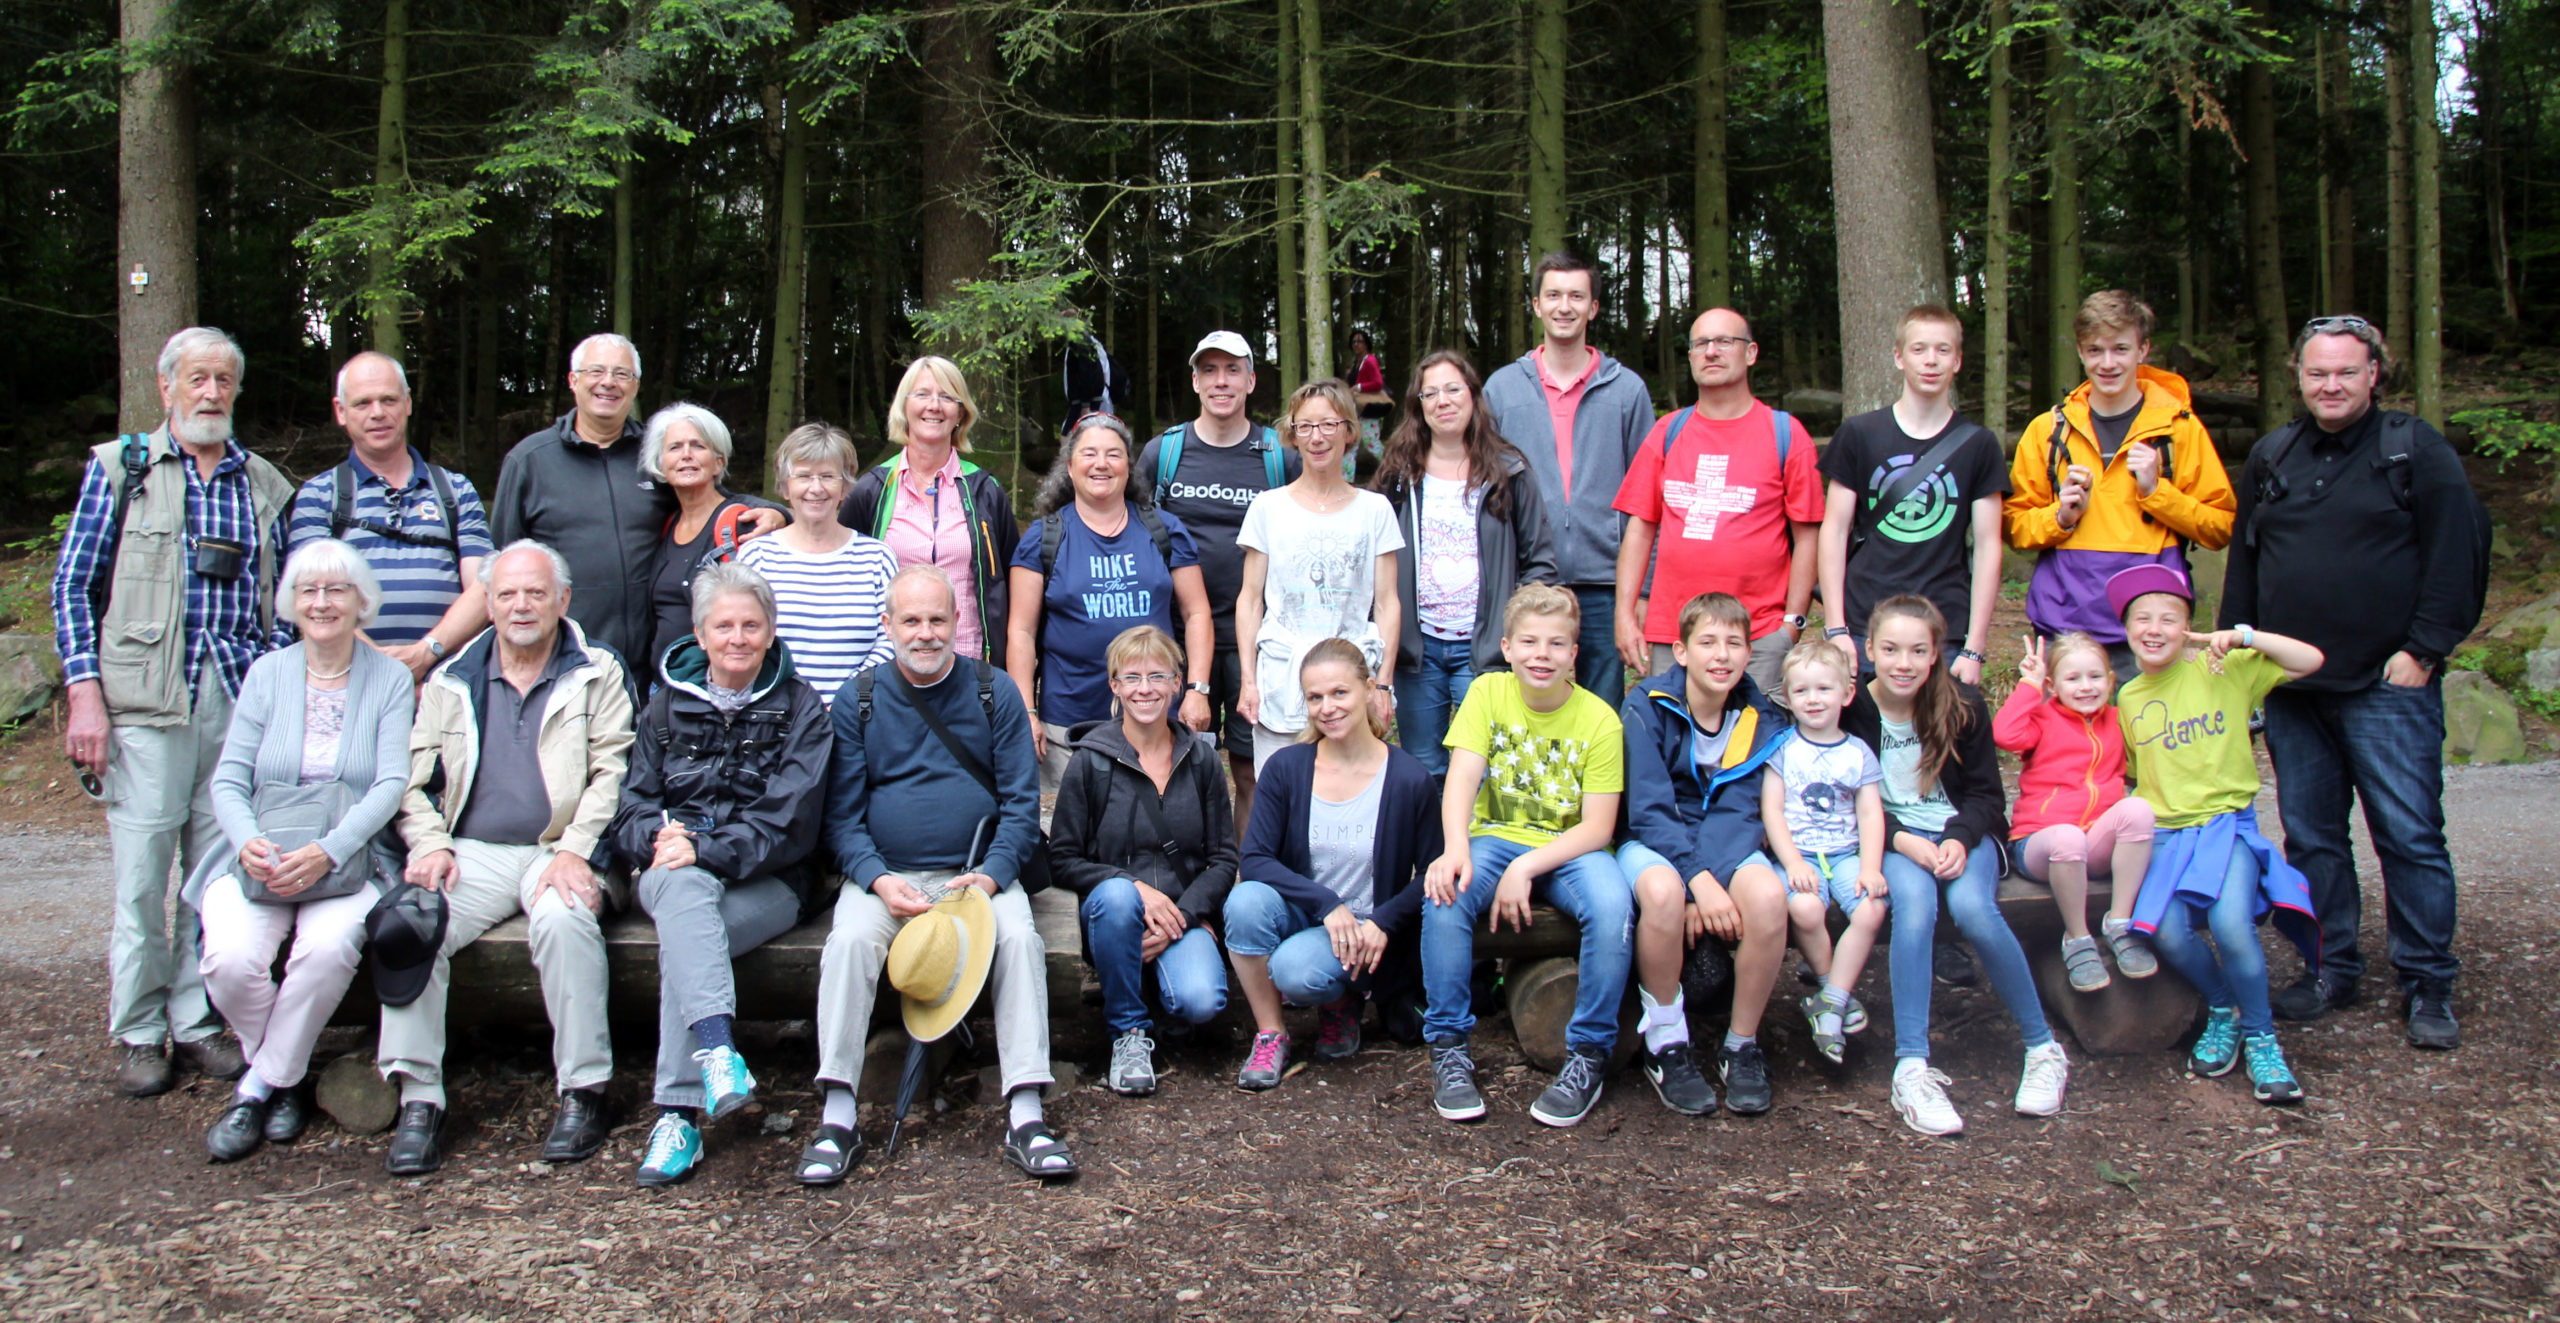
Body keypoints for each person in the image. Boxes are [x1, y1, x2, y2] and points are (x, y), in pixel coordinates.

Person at [2222, 315, 2486, 1048]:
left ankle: (2428, 980)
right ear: (2297, 376)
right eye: (2316, 372)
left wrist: (2424, 652)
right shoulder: (2274, 453)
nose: (2330, 385)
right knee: (2311, 835)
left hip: (2385, 683)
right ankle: (2331, 964)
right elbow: (2246, 567)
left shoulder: (2414, 451)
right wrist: (2239, 664)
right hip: (2292, 692)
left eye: (2345, 371)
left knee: (2408, 834)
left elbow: (2458, 554)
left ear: (2375, 372)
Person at [54, 325, 291, 1097]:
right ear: (166, 387)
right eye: (196, 379)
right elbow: (72, 588)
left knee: (214, 875)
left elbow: (282, 604)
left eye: (224, 380)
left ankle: (196, 1020)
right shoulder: (122, 470)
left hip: (233, 702)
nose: (211, 393)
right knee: (141, 878)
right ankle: (139, 1027)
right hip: (145, 704)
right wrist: (84, 692)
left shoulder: (263, 483)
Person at [805, 567, 1073, 1184]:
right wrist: (875, 878)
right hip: (887, 877)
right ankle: (838, 1114)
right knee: (847, 943)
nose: (924, 634)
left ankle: (1027, 1111)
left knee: (1019, 939)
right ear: (888, 625)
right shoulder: (861, 698)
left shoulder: (993, 691)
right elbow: (841, 818)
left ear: (958, 623)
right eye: (911, 621)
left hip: (975, 876)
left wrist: (990, 876)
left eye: (937, 620)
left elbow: (1018, 804)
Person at [378, 540, 633, 1176]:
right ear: (487, 603)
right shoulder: (450, 679)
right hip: (474, 851)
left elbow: (615, 773)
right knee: (411, 922)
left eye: (536, 593)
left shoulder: (598, 671)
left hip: (564, 846)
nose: (522, 605)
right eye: (508, 594)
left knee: (563, 917)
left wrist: (577, 851)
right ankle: (419, 1099)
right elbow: (412, 779)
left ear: (563, 600)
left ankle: (584, 1089)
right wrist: (430, 843)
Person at [609, 562, 831, 1186]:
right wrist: (659, 838)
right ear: (700, 635)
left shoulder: (802, 709)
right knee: (684, 897)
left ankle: (679, 1113)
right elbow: (631, 802)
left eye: (751, 625)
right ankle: (714, 1056)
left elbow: (790, 824)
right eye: (723, 626)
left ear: (771, 631)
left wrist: (702, 848)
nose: (738, 638)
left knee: (687, 930)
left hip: (772, 881)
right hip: (670, 868)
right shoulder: (663, 706)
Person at [193, 540, 413, 1161]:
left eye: (336, 589)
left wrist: (329, 849)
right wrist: (249, 843)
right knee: (230, 961)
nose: (322, 602)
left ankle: (258, 1087)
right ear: (291, 603)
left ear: (361, 602)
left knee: (326, 950)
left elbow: (390, 782)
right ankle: (285, 1076)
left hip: (350, 857)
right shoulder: (266, 675)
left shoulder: (391, 679)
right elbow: (230, 780)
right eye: (308, 590)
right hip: (262, 855)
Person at [1841, 596, 2067, 1137]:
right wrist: (1901, 840)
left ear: (1936, 653)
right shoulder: (1852, 708)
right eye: (1890, 649)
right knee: (1913, 909)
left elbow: (1989, 797)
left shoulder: (1962, 705)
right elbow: (1843, 800)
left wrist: (1961, 839)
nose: (1903, 662)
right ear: (1869, 649)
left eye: (1918, 650)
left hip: (1961, 834)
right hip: (1891, 841)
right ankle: (1912, 1066)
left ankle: (2042, 1048)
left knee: (1973, 909)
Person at [2111, 565, 2325, 1104]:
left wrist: (2245, 636)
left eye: (2169, 618)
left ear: (2191, 627)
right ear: (2126, 628)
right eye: (2142, 618)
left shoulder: (2225, 669)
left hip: (2225, 826)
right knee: (2164, 931)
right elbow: (2136, 774)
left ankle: (2262, 1036)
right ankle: (2224, 1007)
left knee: (2232, 924)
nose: (2154, 628)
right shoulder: (2129, 698)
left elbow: (2311, 660)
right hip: (2165, 833)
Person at [1420, 585, 1628, 1128]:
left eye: (1557, 644)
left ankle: (1587, 1054)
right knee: (1446, 893)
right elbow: (1462, 779)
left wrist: (1526, 867)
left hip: (1570, 849)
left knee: (1611, 905)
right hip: (1495, 836)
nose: (1543, 654)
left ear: (1574, 654)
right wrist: (1456, 848)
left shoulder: (1601, 719)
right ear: (1507, 648)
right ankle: (1448, 1046)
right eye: (1530, 642)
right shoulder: (1488, 693)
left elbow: (1598, 826)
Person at [491, 333, 781, 665]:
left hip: (651, 663)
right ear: (573, 380)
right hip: (564, 658)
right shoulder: (530, 461)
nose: (608, 383)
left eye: (621, 374)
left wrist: (775, 511)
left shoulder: (658, 452)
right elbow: (502, 565)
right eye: (596, 371)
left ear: (635, 386)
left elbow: (710, 496)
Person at [1229, 639, 1441, 1091]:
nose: (1327, 707)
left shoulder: (1408, 778)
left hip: (1366, 930)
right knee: (1244, 902)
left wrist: (1384, 920)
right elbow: (1255, 858)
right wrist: (1325, 903)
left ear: (1368, 689)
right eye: (1315, 697)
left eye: (1339, 693)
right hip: (1308, 914)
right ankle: (1271, 1033)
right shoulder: (1288, 768)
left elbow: (1432, 873)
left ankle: (1343, 1001)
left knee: (1295, 971)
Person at [1617, 593, 1794, 1118]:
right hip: (1651, 841)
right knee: (1663, 893)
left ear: (1749, 653)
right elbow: (1648, 808)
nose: (1722, 655)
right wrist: (1697, 882)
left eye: (1735, 644)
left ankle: (1741, 1044)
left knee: (1766, 897)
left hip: (1725, 843)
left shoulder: (1760, 716)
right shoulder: (1646, 704)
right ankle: (1667, 1043)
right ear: (1682, 650)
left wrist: (1710, 879)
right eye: (1708, 642)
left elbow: (1742, 812)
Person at [2003, 292, 2234, 682]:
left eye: (2120, 349)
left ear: (2143, 350)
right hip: (2065, 629)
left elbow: (2220, 526)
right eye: (2095, 350)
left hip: (2150, 631)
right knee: (2064, 745)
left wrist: (2157, 492)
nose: (2107, 363)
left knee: (2147, 741)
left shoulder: (2180, 430)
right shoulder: (2048, 430)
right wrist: (2060, 517)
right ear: (2080, 351)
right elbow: (2013, 527)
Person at [1050, 626, 1239, 1097]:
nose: (1145, 689)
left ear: (1178, 683)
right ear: (1113, 685)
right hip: (1113, 918)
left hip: (1183, 916)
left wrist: (1183, 917)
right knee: (1116, 896)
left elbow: (1222, 858)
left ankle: (1161, 997)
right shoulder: (1089, 762)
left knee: (1202, 1001)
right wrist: (1136, 889)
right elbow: (1063, 858)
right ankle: (1129, 1032)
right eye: (1131, 677)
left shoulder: (1201, 760)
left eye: (1158, 676)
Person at [1137, 332, 1301, 836]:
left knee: (1252, 771)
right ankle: (1186, 880)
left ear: (1251, 381)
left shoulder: (1279, 456)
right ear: (1194, 381)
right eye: (1209, 370)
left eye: (1232, 369)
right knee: (1172, 767)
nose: (1221, 380)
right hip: (1176, 637)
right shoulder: (1163, 454)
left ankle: (1251, 883)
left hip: (1259, 639)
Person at [1613, 307, 1822, 699]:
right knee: (1672, 744)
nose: (1712, 351)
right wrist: (1625, 614)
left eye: (1725, 341)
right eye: (1701, 343)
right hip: (1674, 637)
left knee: (1753, 749)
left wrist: (1792, 623)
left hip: (1757, 634)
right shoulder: (1667, 432)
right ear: (1690, 357)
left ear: (1751, 353)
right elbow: (1640, 531)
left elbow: (1807, 535)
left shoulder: (1785, 434)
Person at [1372, 349, 1558, 782]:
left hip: (1486, 652)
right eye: (1430, 393)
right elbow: (1372, 554)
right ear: (1418, 405)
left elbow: (1540, 563)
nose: (1443, 401)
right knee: (1424, 767)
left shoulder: (1510, 471)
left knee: (1491, 764)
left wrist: (1514, 632)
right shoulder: (1399, 475)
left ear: (1474, 396)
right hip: (1418, 652)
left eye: (1453, 389)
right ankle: (1435, 849)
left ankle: (1481, 850)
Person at [1482, 253, 1658, 707]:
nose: (1565, 306)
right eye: (1554, 295)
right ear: (1537, 305)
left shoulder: (1627, 390)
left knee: (1603, 706)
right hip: (1528, 577)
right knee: (1528, 702)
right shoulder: (1502, 389)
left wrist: (1644, 589)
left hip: (1606, 581)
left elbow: (1650, 497)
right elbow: (1485, 485)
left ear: (1593, 308)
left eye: (1577, 296)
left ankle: (1602, 782)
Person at [1007, 414, 1216, 794]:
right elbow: (1020, 630)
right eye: (1089, 453)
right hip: (1070, 720)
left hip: (1156, 713)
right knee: (1075, 834)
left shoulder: (1164, 530)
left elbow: (1196, 612)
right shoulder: (1044, 537)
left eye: (1113, 454)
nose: (1101, 464)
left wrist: (1198, 689)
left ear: (1128, 467)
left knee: (1154, 829)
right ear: (1069, 468)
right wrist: (1026, 710)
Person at [1817, 307, 2007, 684]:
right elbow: (1835, 530)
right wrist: (1835, 628)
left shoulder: (1979, 444)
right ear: (1899, 357)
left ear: (1957, 360)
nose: (1931, 361)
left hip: (1943, 627)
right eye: (1919, 349)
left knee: (1938, 741)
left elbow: (1987, 545)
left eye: (1943, 350)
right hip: (1864, 623)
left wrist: (1975, 646)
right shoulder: (1859, 433)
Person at [286, 351, 493, 682]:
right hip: (349, 686)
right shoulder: (319, 495)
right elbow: (310, 600)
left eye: (388, 400)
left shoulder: (455, 491)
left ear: (408, 403)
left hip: (444, 691)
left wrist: (426, 653)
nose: (378, 413)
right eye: (363, 403)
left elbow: (484, 588)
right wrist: (381, 673)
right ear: (340, 411)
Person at [1236, 379, 1405, 769]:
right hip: (1282, 678)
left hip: (1352, 677)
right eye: (1305, 426)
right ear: (1291, 435)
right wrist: (1249, 678)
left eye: (1329, 424)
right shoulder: (1268, 507)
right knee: (1282, 798)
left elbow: (1386, 602)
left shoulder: (1375, 510)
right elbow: (1250, 598)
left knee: (1351, 795)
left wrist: (1383, 683)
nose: (1317, 437)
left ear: (1348, 431)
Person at [1993, 633, 2158, 990]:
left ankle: (2119, 923)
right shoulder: (2040, 718)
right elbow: (2005, 735)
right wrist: (2029, 686)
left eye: (2095, 677)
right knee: (2068, 838)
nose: (2086, 687)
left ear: (2111, 680)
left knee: (2139, 810)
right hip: (2040, 845)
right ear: (2053, 685)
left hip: (2094, 843)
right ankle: (2078, 937)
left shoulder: (2117, 720)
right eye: (2073, 678)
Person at [842, 356, 1020, 669]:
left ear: (960, 413)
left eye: (947, 396)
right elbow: (834, 555)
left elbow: (1012, 583)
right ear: (904, 406)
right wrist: (778, 516)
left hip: (972, 668)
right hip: (891, 672)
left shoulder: (985, 490)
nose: (934, 405)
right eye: (922, 394)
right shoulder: (873, 490)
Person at [1760, 637, 1887, 1067]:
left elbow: (1870, 815)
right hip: (1800, 857)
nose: (1813, 699)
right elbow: (1772, 811)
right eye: (1801, 691)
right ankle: (1837, 992)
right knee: (1807, 911)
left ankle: (1829, 1001)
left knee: (1871, 909)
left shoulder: (1857, 754)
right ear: (1788, 698)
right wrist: (1793, 862)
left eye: (1823, 689)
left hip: (1847, 853)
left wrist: (1870, 866)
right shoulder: (1782, 750)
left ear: (1847, 694)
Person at [737, 422, 898, 702]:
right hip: (776, 719)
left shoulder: (877, 558)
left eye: (828, 476)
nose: (816, 488)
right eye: (803, 476)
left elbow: (891, 637)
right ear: (785, 487)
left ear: (845, 487)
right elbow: (743, 637)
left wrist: (846, 700)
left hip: (856, 717)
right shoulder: (756, 557)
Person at [638, 402, 760, 670]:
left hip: (716, 686)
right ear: (661, 463)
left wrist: (781, 514)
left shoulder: (741, 522)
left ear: (719, 462)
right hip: (663, 691)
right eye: (675, 447)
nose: (686, 455)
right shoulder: (666, 522)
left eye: (697, 446)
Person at [1346, 328, 1392, 466]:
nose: (1356, 344)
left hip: (1368, 409)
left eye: (1360, 341)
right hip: (1358, 410)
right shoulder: (1358, 363)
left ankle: (1394, 468)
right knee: (1351, 442)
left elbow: (1378, 382)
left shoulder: (1370, 360)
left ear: (1366, 344)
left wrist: (1359, 387)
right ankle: (1347, 479)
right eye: (1354, 342)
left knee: (1370, 441)